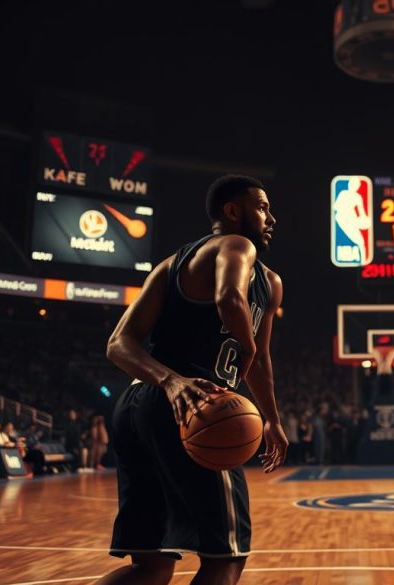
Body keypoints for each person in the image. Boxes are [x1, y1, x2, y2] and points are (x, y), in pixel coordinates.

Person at [99, 175, 287, 585]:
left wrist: (272, 417)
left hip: (135, 409)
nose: (271, 217)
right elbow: (230, 299)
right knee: (225, 559)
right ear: (232, 211)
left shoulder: (176, 266)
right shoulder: (238, 245)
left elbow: (118, 344)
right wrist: (241, 348)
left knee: (151, 566)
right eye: (262, 207)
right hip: (196, 408)